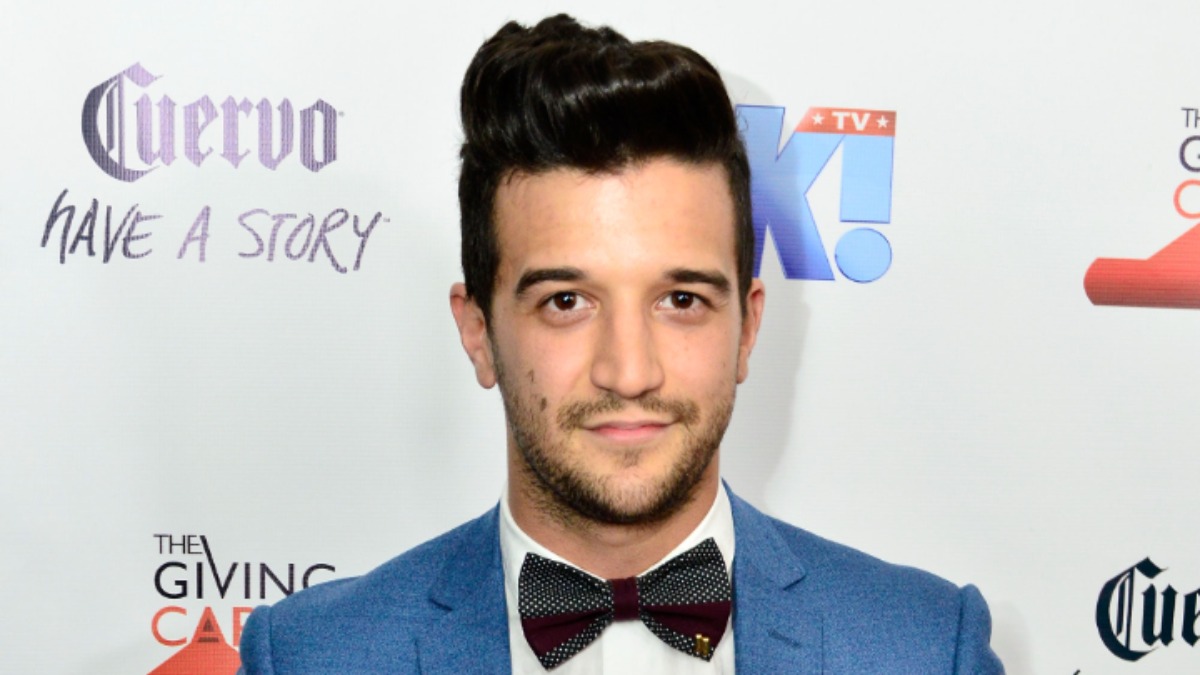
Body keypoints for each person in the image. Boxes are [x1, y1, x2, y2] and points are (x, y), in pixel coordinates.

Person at [238, 14, 1004, 674]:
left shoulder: (924, 647)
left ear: (748, 328)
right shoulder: (316, 655)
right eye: (566, 302)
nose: (630, 371)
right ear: (478, 332)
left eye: (682, 300)